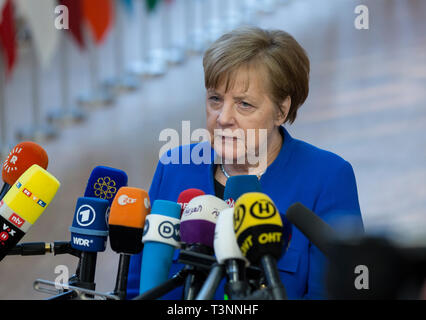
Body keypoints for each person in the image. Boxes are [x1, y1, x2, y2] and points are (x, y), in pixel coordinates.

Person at [126, 26, 364, 300]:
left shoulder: (328, 178)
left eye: (244, 105)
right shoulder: (174, 167)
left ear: (281, 111)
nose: (223, 117)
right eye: (215, 99)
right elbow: (136, 290)